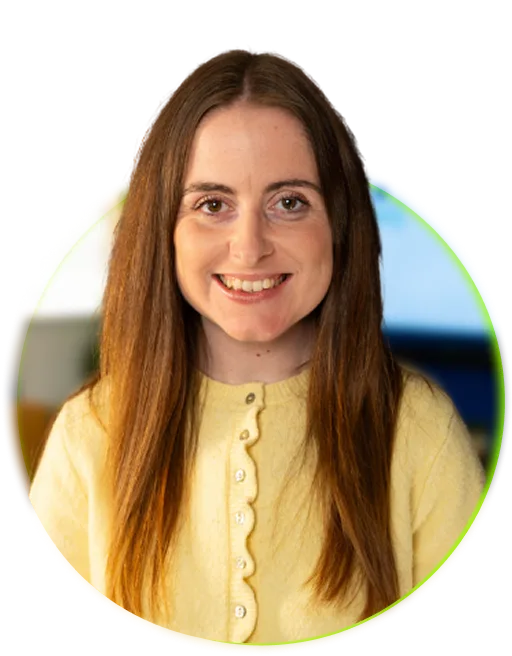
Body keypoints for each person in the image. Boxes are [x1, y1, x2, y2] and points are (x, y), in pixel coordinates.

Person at [27, 48, 489, 652]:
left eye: (289, 202)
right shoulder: (88, 433)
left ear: (340, 223)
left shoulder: (420, 431)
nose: (249, 248)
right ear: (163, 229)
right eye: (212, 205)